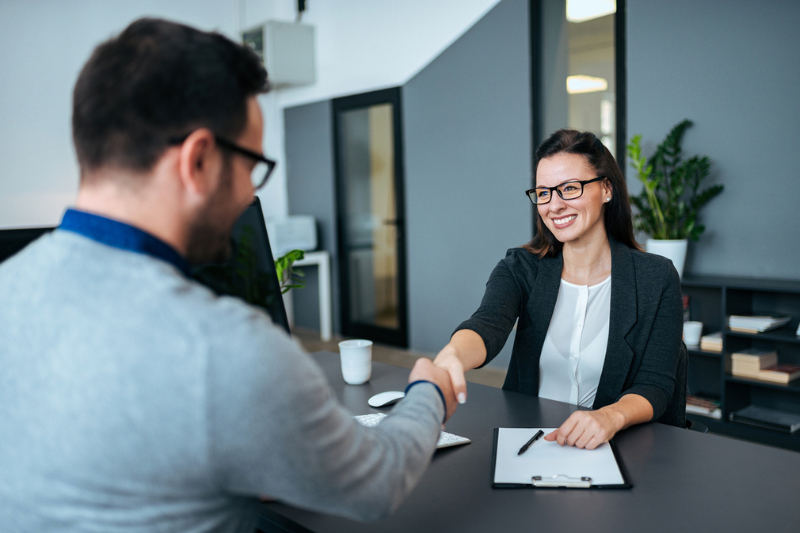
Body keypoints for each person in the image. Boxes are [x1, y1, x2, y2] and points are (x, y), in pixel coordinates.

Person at [0, 18, 457, 532]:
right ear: (197, 160)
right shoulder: (220, 347)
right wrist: (429, 392)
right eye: (249, 167)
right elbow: (376, 484)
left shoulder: (7, 289)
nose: (248, 194)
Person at [433, 129, 685, 450]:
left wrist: (610, 417)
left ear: (606, 189)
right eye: (543, 193)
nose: (554, 205)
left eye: (569, 188)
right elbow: (487, 325)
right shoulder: (521, 267)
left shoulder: (656, 276)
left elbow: (656, 383)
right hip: (530, 441)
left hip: (615, 445)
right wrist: (452, 356)